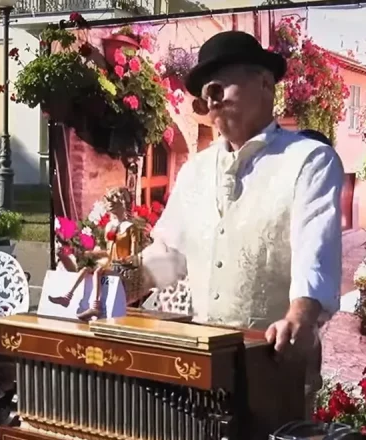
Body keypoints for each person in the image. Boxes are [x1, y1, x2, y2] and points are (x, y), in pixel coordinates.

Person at [137, 31, 344, 412]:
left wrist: (300, 317)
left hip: (272, 362)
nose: (211, 102)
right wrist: (116, 281)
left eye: (218, 88)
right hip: (200, 368)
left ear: (265, 83)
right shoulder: (194, 172)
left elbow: (314, 250)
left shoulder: (308, 160)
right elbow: (170, 259)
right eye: (204, 96)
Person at [51, 187, 140, 320]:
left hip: (122, 266)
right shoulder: (110, 226)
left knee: (98, 271)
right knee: (85, 269)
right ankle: (67, 297)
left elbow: (134, 255)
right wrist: (90, 254)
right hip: (109, 264)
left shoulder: (131, 228)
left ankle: (95, 307)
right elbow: (109, 251)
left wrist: (123, 261)